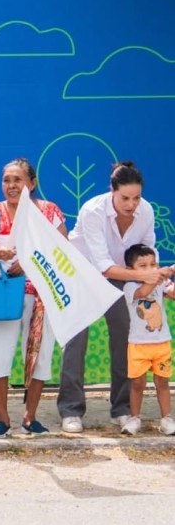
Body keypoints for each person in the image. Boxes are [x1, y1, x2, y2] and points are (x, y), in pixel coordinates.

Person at [58, 161, 164, 433]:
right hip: (81, 276)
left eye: (136, 197)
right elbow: (103, 265)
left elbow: (147, 253)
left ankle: (122, 409)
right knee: (75, 342)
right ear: (112, 191)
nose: (132, 204)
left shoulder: (146, 210)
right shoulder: (92, 210)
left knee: (126, 341)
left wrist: (159, 279)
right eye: (125, 198)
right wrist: (144, 275)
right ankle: (71, 410)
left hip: (123, 279)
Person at [0, 158, 67, 438]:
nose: (12, 185)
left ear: (32, 183)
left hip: (42, 296)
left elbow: (63, 253)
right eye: (7, 180)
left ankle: (30, 418)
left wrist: (29, 263)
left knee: (41, 357)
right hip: (2, 297)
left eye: (18, 180)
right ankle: (3, 420)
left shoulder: (50, 212)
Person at [119, 244, 175, 437]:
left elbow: (172, 293)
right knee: (137, 383)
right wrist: (160, 274)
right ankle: (134, 418)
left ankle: (166, 419)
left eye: (153, 264)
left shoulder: (161, 282)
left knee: (163, 382)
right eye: (143, 266)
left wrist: (170, 278)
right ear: (130, 270)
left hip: (162, 343)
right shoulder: (130, 287)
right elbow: (143, 293)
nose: (150, 269)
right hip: (138, 345)